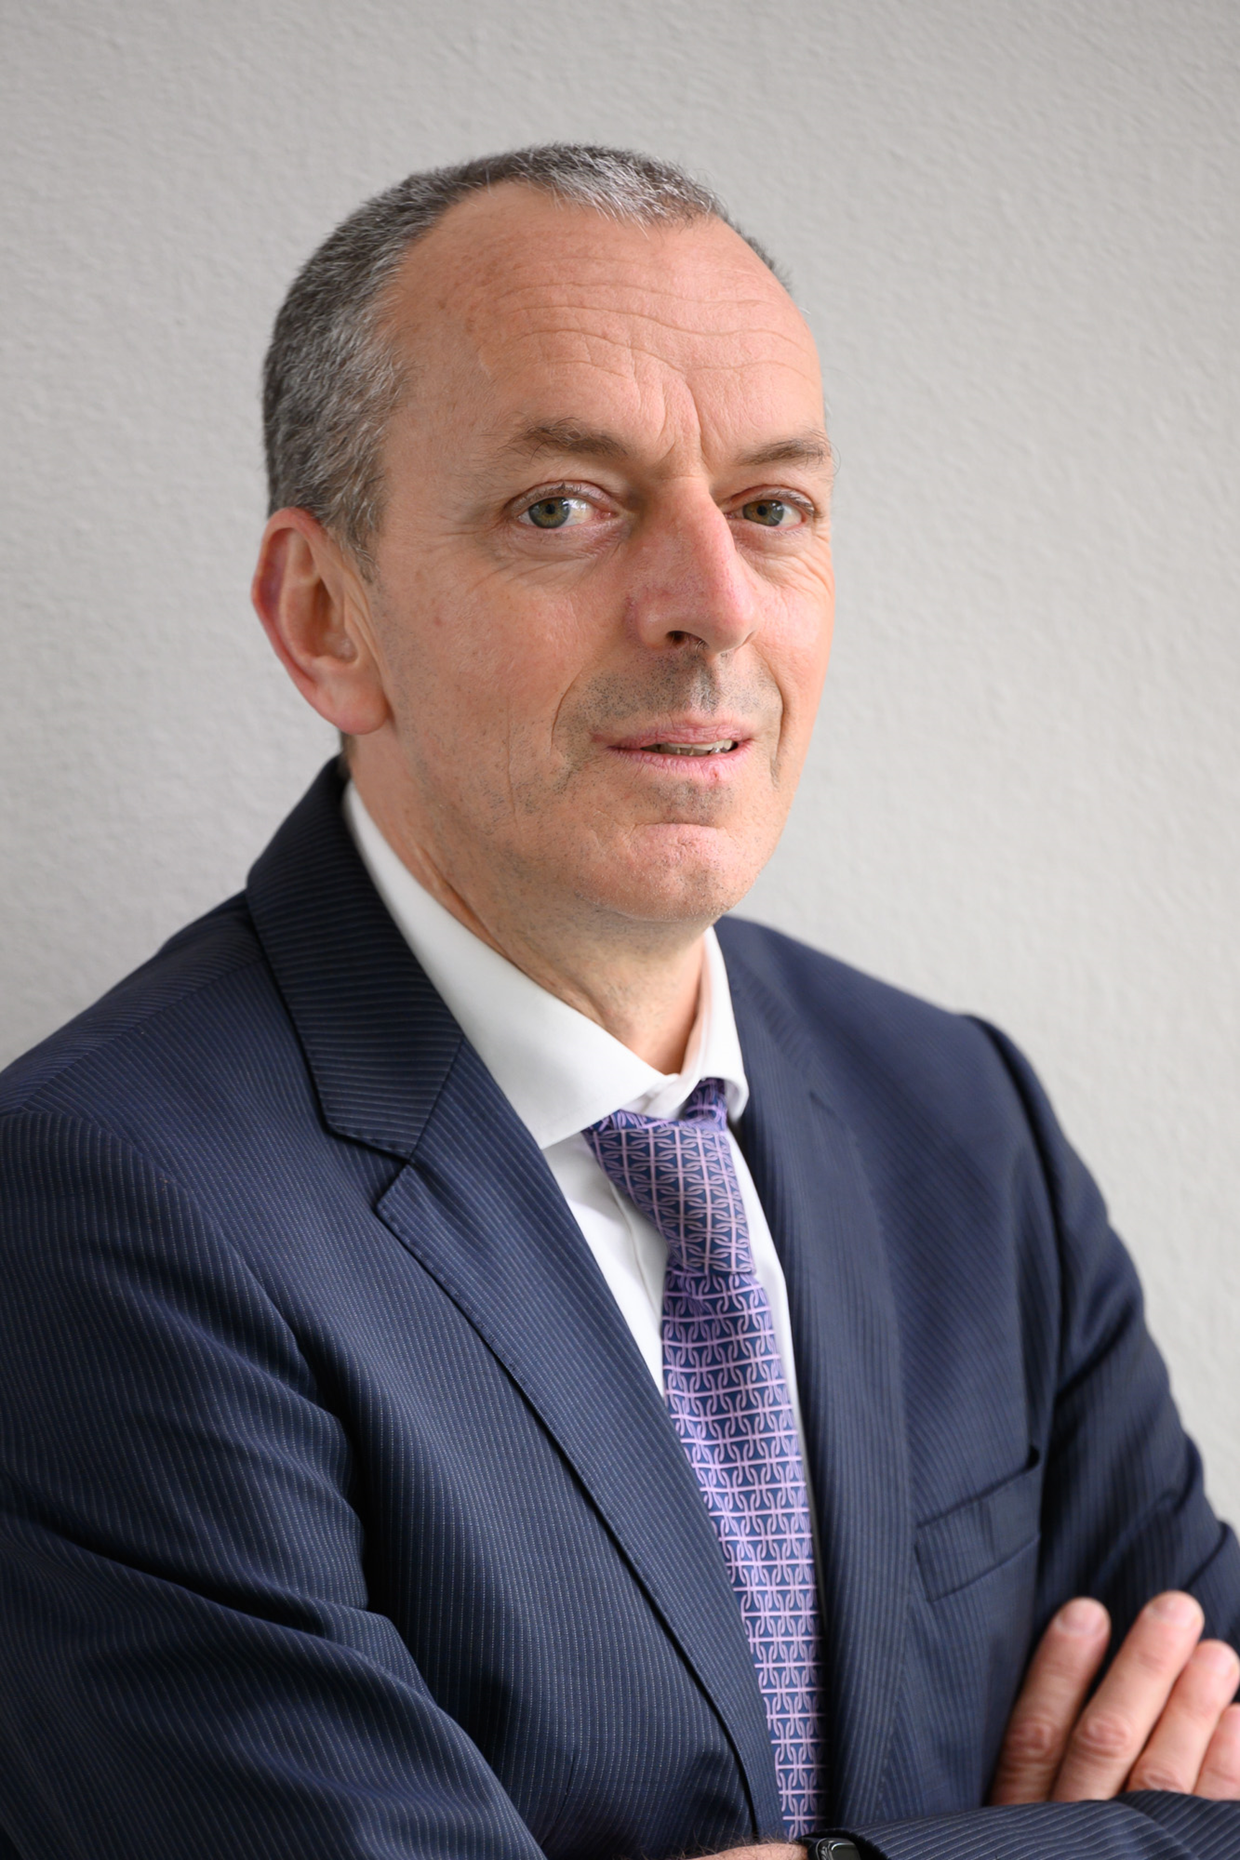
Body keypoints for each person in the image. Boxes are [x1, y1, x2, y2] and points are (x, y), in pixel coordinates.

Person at [0, 144, 1236, 1860]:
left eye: (772, 507)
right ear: (327, 615)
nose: (713, 607)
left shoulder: (962, 1114)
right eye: (563, 508)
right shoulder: (98, 1210)